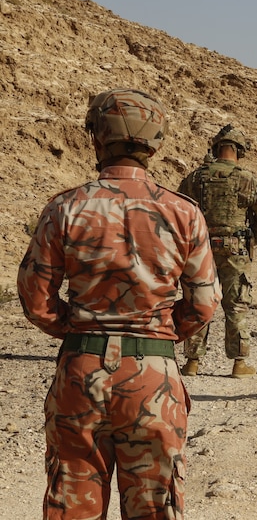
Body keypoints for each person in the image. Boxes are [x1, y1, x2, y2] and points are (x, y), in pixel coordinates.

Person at [17, 88, 221, 519]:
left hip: (81, 373)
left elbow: (37, 300)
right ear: (156, 143)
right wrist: (160, 334)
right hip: (154, 379)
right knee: (154, 506)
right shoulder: (184, 212)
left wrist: (80, 329)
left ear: (96, 137)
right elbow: (204, 302)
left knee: (70, 504)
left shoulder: (65, 207)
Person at [177, 124, 257, 378]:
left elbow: (179, 212)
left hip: (200, 250)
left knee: (199, 303)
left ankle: (192, 363)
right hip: (235, 251)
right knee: (236, 306)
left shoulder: (195, 178)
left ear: (216, 148)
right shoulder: (248, 180)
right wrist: (250, 244)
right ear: (239, 151)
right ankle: (239, 364)